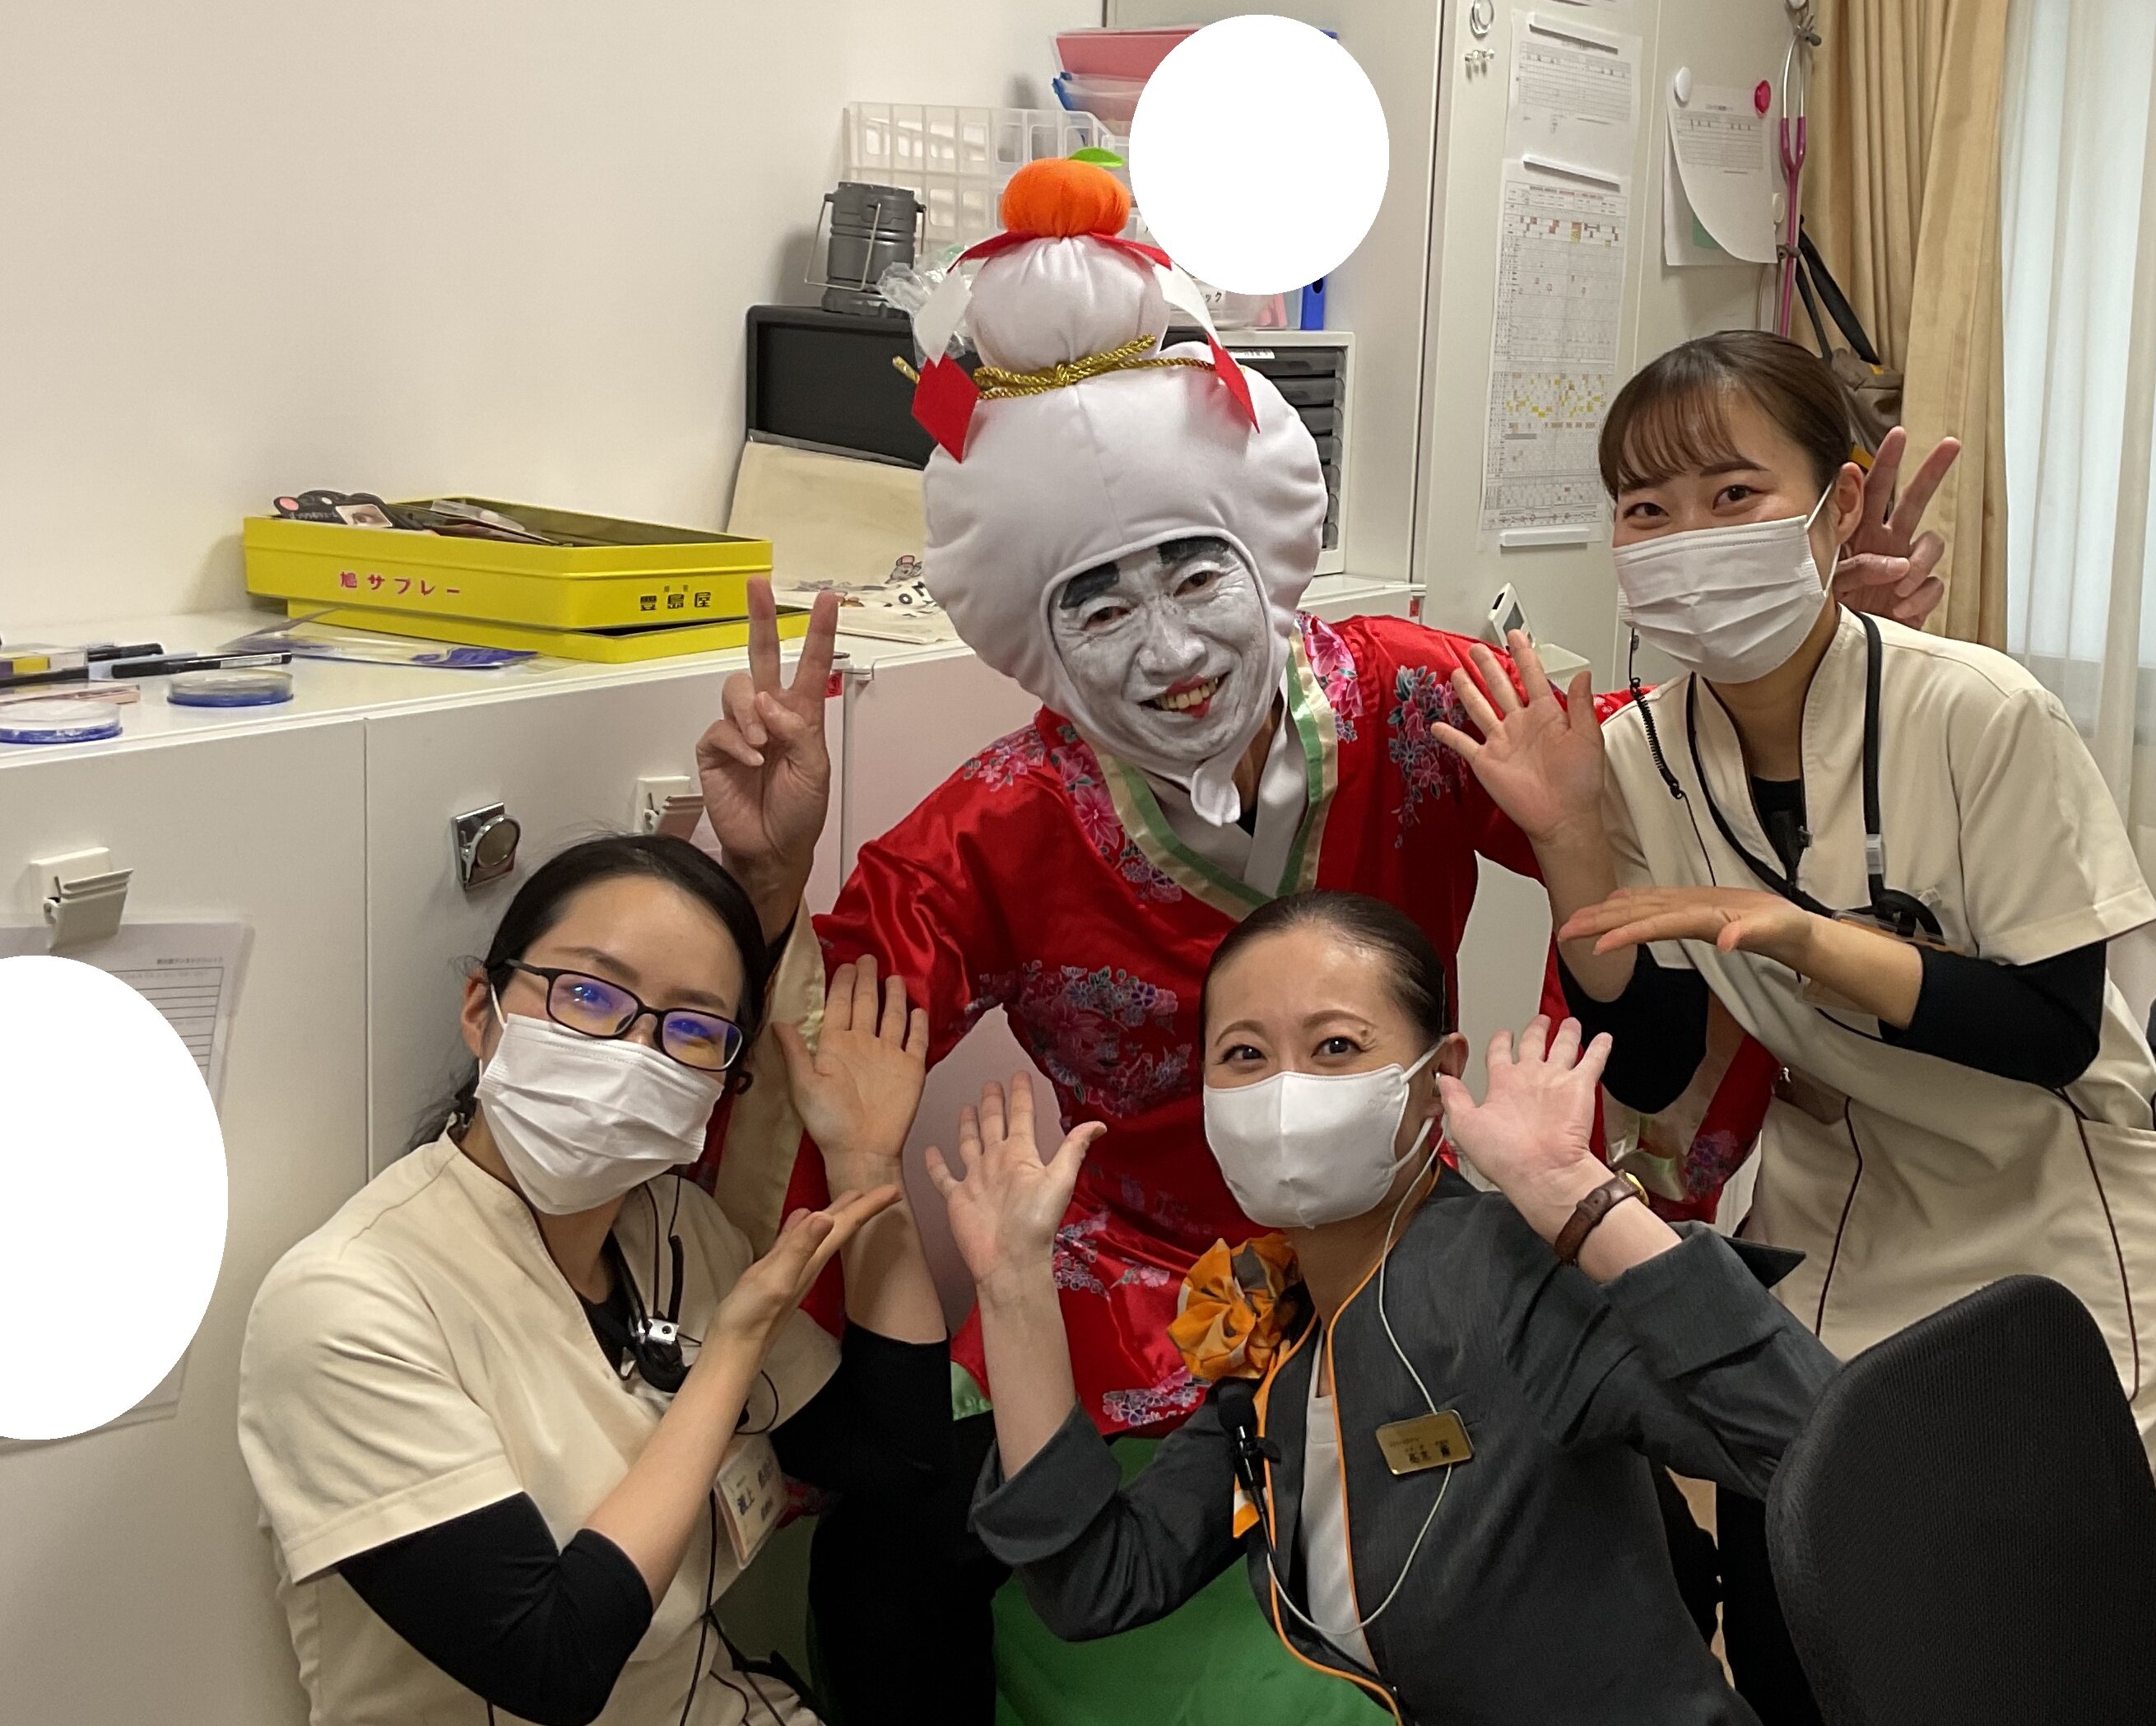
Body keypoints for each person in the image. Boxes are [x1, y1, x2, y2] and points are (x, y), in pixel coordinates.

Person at [692, 156, 1950, 1720]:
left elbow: (1645, 793)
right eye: (1098, 606)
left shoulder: (1417, 694)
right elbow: (824, 1037)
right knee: (934, 1585)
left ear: (1265, 562)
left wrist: (1813, 662)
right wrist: (765, 879)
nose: (1168, 648)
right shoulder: (996, 826)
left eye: (1194, 574)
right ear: (1035, 639)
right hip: (1131, 1300)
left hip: (1412, 1248)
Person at [1434, 330, 2156, 1468]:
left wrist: (1807, 941)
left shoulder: (1979, 712)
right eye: (1646, 510)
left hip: (2049, 1207)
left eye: (1733, 495)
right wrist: (1567, 839)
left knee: (1997, 1552)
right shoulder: (1636, 755)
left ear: (1836, 506)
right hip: (1844, 1199)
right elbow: (1648, 1065)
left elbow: (2050, 1031)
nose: (1687, 539)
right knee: (1794, 1530)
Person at [934, 888, 1838, 1726]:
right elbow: (1098, 1582)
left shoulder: (1510, 1275)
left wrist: (1577, 1196)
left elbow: (1822, 1455)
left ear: (1437, 1075)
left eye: (1335, 1047)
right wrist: (1013, 1286)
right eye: (1244, 1054)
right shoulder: (1278, 1333)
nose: (1284, 1093)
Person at [236, 835, 954, 1726]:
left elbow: (894, 1454)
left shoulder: (680, 1231)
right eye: (587, 994)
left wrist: (865, 1163)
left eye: (691, 1028)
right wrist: (731, 1351)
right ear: (482, 1009)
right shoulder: (347, 1303)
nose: (633, 1051)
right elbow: (552, 1663)